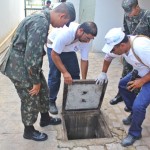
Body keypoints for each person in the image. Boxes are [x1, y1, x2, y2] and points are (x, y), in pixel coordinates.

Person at [1, 2, 76, 141]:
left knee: (43, 90)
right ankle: (28, 130)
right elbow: (31, 57)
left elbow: (29, 43)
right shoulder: (41, 22)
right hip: (19, 65)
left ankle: (45, 119)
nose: (62, 27)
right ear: (62, 15)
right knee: (31, 96)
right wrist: (35, 81)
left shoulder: (42, 16)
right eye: (65, 22)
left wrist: (38, 81)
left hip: (24, 63)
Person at [96, 27, 150, 147]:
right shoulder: (119, 46)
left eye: (113, 49)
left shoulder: (141, 47)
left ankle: (135, 133)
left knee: (139, 105)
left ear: (122, 45)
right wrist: (103, 73)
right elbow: (108, 57)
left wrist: (142, 81)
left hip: (147, 76)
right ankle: (134, 114)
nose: (112, 51)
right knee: (123, 85)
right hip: (141, 70)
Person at [47, 22, 97, 114]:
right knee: (55, 76)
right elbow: (54, 55)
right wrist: (65, 73)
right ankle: (51, 101)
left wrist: (84, 80)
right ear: (80, 31)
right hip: (53, 47)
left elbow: (84, 60)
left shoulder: (84, 39)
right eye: (87, 38)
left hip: (69, 49)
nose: (88, 41)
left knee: (74, 74)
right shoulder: (66, 34)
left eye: (91, 39)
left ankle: (73, 99)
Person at [110, 0, 150, 107]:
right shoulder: (127, 15)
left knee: (141, 76)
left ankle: (136, 100)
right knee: (125, 74)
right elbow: (126, 31)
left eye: (129, 11)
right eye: (125, 11)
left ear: (137, 7)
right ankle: (121, 95)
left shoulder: (147, 16)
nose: (127, 14)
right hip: (128, 49)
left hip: (142, 52)